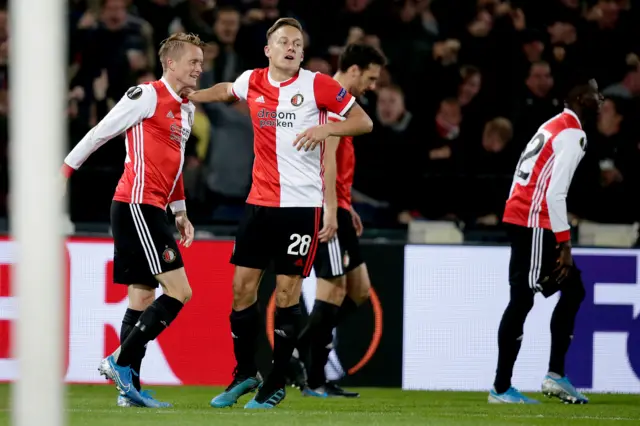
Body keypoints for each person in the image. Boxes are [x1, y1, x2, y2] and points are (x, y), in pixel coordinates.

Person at [186, 17, 373, 409]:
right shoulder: (252, 80)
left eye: (297, 43)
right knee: (241, 290)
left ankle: (274, 383)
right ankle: (244, 373)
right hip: (258, 205)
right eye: (283, 41)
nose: (291, 47)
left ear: (302, 53)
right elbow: (224, 91)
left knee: (287, 294)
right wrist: (189, 94)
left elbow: (363, 121)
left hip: (301, 207)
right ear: (268, 50)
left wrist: (328, 130)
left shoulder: (319, 85)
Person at [60, 33, 204, 408]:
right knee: (180, 292)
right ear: (170, 63)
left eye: (201, 63)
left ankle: (130, 391)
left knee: (142, 296)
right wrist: (62, 174)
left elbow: (174, 168)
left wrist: (180, 212)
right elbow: (98, 134)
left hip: (153, 208)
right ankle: (119, 362)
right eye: (193, 62)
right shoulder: (146, 95)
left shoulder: (186, 109)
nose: (199, 69)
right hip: (136, 205)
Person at [489, 79, 603, 404]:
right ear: (581, 97)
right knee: (523, 299)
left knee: (572, 288)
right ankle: (502, 387)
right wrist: (565, 245)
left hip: (524, 216)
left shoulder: (553, 124)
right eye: (596, 92)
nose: (602, 98)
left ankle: (553, 375)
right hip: (534, 221)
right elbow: (555, 192)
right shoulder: (573, 133)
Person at [285, 43, 386, 398]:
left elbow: (338, 166)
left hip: (340, 206)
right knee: (334, 291)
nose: (371, 86)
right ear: (354, 70)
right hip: (323, 207)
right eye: (370, 78)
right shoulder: (327, 101)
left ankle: (300, 354)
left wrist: (347, 204)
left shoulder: (344, 106)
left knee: (357, 292)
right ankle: (310, 373)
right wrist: (332, 208)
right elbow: (324, 161)